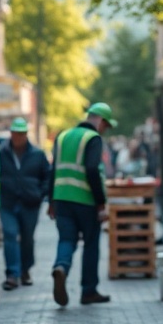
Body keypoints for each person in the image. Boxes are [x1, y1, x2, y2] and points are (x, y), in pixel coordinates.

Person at [49, 102, 117, 307]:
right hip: (85, 200)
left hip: (62, 198)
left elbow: (53, 170)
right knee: (91, 244)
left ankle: (61, 267)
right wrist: (100, 203)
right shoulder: (92, 138)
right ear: (101, 121)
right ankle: (88, 291)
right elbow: (92, 169)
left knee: (66, 239)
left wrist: (51, 199)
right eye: (106, 126)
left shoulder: (62, 136)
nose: (104, 130)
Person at [0, 117, 51, 290]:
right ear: (11, 134)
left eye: (21, 134)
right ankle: (12, 274)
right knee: (10, 234)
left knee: (27, 238)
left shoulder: (37, 154)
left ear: (26, 134)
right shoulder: (1, 153)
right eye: (15, 133)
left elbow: (47, 176)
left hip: (30, 203)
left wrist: (40, 194)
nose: (18, 137)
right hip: (7, 202)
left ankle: (25, 270)